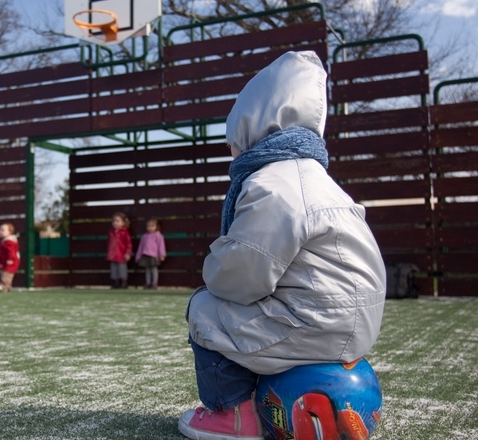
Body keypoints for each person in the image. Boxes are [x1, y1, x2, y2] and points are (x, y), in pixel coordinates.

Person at [178, 51, 386, 440]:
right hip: (353, 326)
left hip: (315, 325)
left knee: (205, 307)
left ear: (252, 129)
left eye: (234, 142)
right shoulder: (320, 180)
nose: (233, 154)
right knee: (244, 308)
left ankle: (233, 416)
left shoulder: (273, 184)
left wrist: (214, 270)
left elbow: (239, 276)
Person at [134, 218, 166, 290]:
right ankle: (148, 283)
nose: (150, 228)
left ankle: (154, 283)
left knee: (154, 269)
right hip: (145, 255)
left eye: (152, 226)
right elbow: (141, 247)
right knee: (147, 269)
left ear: (156, 227)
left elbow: (161, 246)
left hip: (154, 256)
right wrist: (138, 256)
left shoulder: (158, 236)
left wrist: (162, 255)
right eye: (148, 226)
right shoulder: (144, 236)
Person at [106, 212, 131, 289]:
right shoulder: (111, 232)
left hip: (121, 255)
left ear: (123, 223)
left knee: (122, 268)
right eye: (114, 221)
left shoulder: (125, 233)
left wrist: (128, 253)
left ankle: (123, 282)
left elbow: (129, 244)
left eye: (117, 221)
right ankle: (115, 282)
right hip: (112, 255)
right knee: (114, 269)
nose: (115, 223)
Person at [0, 222, 19, 292]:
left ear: (10, 232)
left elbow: (11, 251)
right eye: (0, 230)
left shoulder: (9, 242)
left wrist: (10, 259)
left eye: (3, 230)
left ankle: (4, 285)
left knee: (6, 274)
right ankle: (7, 287)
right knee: (5, 274)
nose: (0, 232)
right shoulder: (6, 241)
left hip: (10, 262)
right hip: (6, 261)